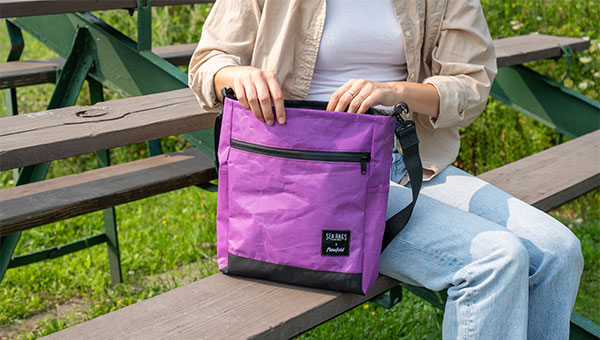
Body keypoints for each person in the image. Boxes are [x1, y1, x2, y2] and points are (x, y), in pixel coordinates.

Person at [188, 1, 584, 339]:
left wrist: (394, 92)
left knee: (558, 251)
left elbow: (472, 84)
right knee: (495, 261)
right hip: (314, 174)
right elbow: (208, 62)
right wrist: (237, 74)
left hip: (412, 159)